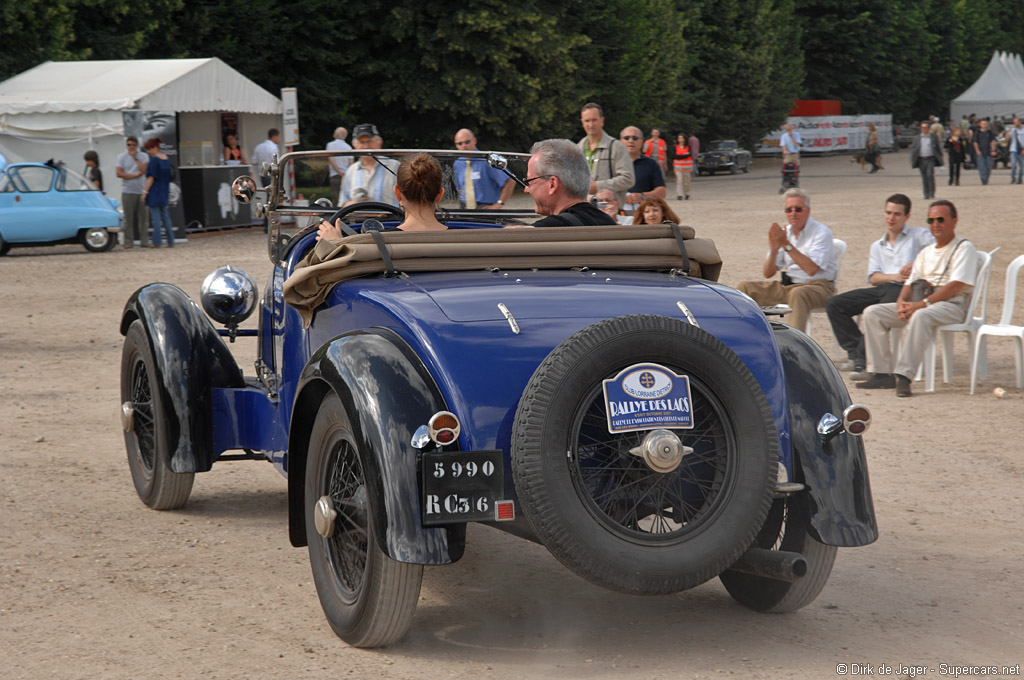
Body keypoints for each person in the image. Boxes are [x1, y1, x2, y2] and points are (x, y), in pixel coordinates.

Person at [856, 200, 977, 397]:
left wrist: (921, 304)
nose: (935, 224)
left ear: (954, 221)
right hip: (922, 300)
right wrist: (901, 304)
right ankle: (881, 373)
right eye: (931, 220)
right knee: (873, 313)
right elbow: (909, 284)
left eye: (941, 219)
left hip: (951, 304)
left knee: (922, 316)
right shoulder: (925, 252)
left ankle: (903, 376)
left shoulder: (964, 248)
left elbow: (956, 285)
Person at [826, 194, 934, 378]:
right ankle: (856, 351)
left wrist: (917, 264)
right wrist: (895, 275)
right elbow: (873, 277)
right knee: (835, 304)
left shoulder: (920, 236)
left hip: (906, 291)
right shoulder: (877, 245)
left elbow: (939, 251)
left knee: (877, 308)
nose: (891, 218)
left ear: (907, 216)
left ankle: (861, 361)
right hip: (884, 286)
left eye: (897, 214)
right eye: (888, 213)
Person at [736, 187, 836, 331]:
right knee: (745, 288)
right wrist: (774, 250)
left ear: (808, 210)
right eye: (789, 210)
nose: (793, 214)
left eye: (798, 209)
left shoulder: (821, 232)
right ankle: (745, 335)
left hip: (819, 286)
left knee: (798, 294)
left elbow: (811, 270)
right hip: (789, 285)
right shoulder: (786, 232)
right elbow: (768, 273)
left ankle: (794, 347)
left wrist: (786, 245)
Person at [318, 153, 446, 239]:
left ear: (397, 193)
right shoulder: (464, 240)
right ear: (440, 195)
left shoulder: (378, 245)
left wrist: (334, 244)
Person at [526, 138, 617, 227]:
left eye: (530, 181)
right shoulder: (608, 222)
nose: (526, 189)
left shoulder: (549, 229)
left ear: (552, 184)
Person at [577, 103, 634, 206]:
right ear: (582, 123)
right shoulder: (577, 149)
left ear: (602, 121)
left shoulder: (617, 147)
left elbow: (628, 179)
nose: (591, 125)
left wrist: (598, 186)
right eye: (587, 121)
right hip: (584, 211)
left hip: (611, 212)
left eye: (594, 120)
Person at [452, 128, 515, 209]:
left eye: (467, 142)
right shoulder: (457, 164)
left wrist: (500, 203)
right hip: (464, 208)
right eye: (460, 143)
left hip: (485, 208)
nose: (464, 146)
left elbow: (510, 181)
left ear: (474, 140)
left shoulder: (487, 160)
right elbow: (459, 188)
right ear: (456, 145)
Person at [339, 123, 399, 206]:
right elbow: (343, 203)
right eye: (361, 142)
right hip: (358, 218)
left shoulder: (395, 167)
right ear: (354, 145)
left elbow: (409, 199)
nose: (365, 146)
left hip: (393, 218)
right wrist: (355, 205)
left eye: (369, 141)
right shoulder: (351, 171)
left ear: (379, 143)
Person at [619, 126, 666, 213]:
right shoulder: (613, 163)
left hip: (644, 214)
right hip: (618, 215)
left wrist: (642, 196)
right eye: (626, 138)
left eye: (635, 138)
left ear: (642, 142)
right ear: (620, 142)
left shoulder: (651, 164)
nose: (631, 141)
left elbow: (662, 192)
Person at [116, 136, 150, 248]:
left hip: (141, 191)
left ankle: (144, 241)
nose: (131, 147)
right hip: (127, 191)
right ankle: (128, 241)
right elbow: (118, 173)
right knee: (128, 219)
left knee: (144, 219)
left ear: (137, 146)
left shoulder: (144, 156)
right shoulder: (121, 157)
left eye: (133, 145)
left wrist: (136, 158)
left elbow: (144, 170)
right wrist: (133, 175)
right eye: (129, 145)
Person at [142, 137, 174, 248]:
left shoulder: (154, 160)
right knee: (166, 217)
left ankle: (157, 242)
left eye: (149, 149)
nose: (148, 152)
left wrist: (145, 192)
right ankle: (171, 240)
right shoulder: (166, 159)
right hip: (164, 191)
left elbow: (151, 177)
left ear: (155, 148)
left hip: (155, 191)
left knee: (155, 219)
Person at [910, 120, 943, 200]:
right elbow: (914, 149)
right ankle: (926, 193)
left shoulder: (933, 137)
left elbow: (937, 148)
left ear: (928, 128)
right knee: (924, 177)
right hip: (921, 159)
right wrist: (911, 159)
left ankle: (932, 192)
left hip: (930, 159)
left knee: (930, 175)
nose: (924, 129)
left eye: (925, 127)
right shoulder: (917, 138)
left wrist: (940, 158)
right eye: (922, 127)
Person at [326, 127, 352, 202]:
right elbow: (351, 162)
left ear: (337, 134)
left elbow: (331, 160)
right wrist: (346, 173)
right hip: (346, 176)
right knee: (346, 197)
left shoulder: (330, 145)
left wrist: (339, 172)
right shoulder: (348, 147)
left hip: (335, 174)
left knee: (335, 197)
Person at [972, 119, 996, 186]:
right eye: (983, 124)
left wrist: (993, 150)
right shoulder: (977, 132)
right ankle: (984, 180)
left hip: (988, 152)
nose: (984, 125)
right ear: (980, 124)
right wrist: (977, 150)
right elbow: (975, 142)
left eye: (985, 124)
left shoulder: (989, 132)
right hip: (980, 152)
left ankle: (986, 178)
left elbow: (992, 141)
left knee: (988, 166)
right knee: (982, 167)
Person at [673, 133, 694, 200]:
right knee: (679, 181)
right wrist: (684, 155)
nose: (680, 140)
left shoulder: (688, 147)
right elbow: (675, 156)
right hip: (678, 167)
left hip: (687, 167)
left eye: (682, 138)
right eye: (679, 138)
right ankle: (680, 194)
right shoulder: (675, 147)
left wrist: (681, 156)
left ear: (685, 139)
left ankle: (687, 193)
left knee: (686, 181)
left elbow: (688, 155)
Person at [1007, 117, 1024, 184]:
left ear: (1020, 122)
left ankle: (1020, 179)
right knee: (1013, 164)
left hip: (1021, 150)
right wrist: (1009, 131)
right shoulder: (1013, 130)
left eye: (1016, 122)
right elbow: (1007, 138)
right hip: (1013, 149)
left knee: (1021, 166)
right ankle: (1013, 178)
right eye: (1014, 122)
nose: (1015, 123)